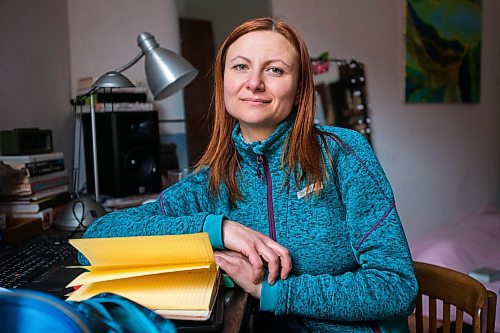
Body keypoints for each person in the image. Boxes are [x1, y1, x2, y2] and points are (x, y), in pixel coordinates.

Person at [79, 17, 418, 332]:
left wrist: (270, 290)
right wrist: (219, 229)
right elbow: (95, 241)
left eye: (275, 70)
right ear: (224, 81)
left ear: (299, 88)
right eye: (241, 66)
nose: (254, 83)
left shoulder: (342, 154)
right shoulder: (210, 179)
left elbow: (396, 286)